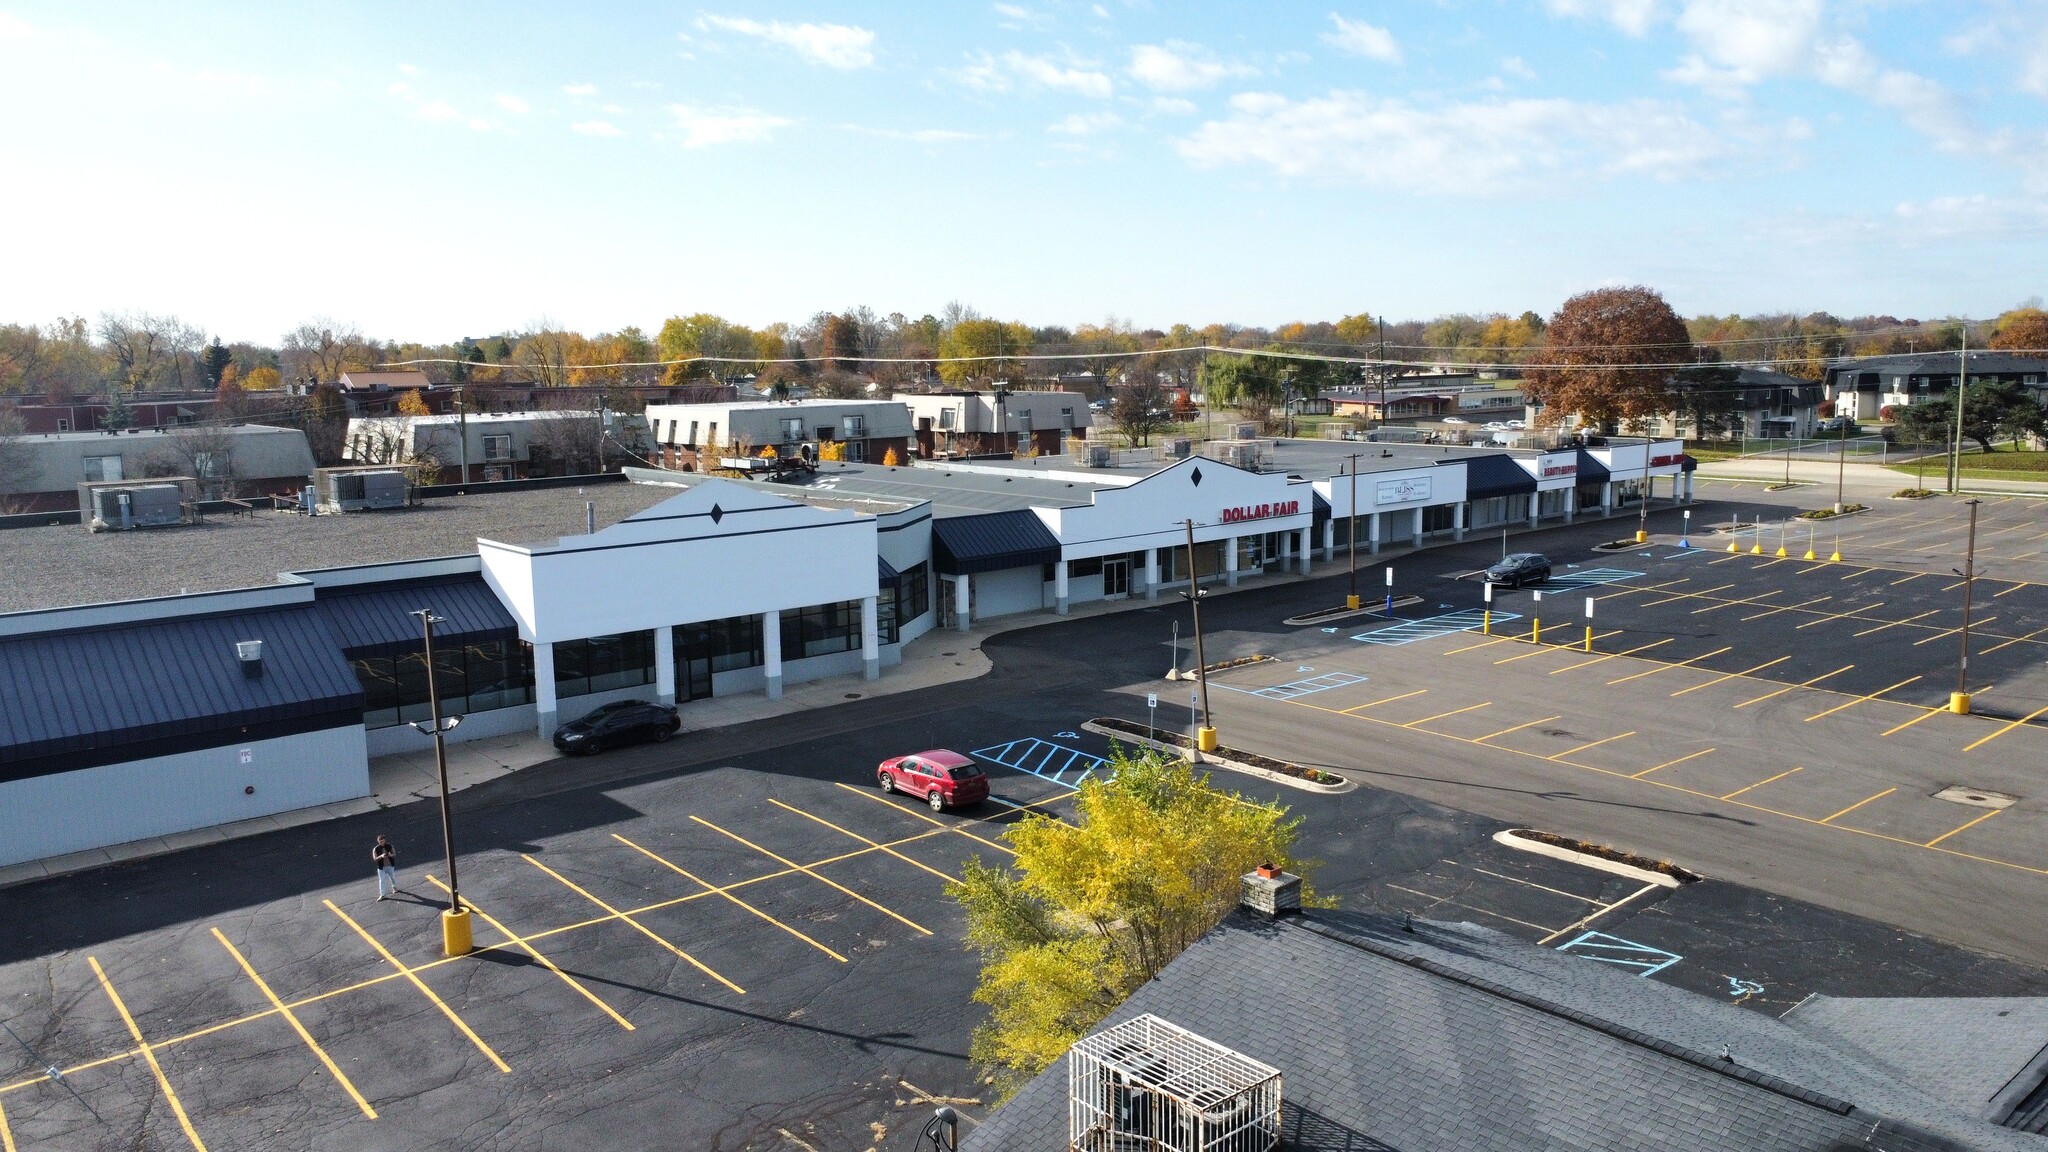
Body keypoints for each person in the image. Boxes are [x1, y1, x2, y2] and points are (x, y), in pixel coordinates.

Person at [372, 835, 399, 900]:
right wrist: (381, 856)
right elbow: (375, 859)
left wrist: (390, 855)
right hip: (381, 867)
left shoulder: (389, 846)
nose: (382, 843)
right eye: (380, 841)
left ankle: (394, 887)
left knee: (392, 877)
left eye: (383, 841)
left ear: (385, 840)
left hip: (390, 865)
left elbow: (394, 854)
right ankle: (382, 894)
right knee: (382, 880)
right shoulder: (376, 848)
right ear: (378, 841)